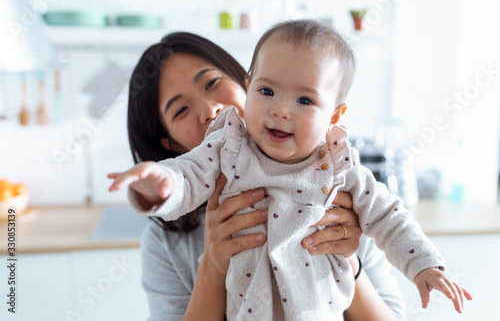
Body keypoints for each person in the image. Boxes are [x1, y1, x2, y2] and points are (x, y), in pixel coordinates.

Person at [112, 26, 407, 320]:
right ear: (170, 143)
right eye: (180, 110)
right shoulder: (166, 243)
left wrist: (348, 262)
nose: (210, 109)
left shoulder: (335, 182)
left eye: (212, 83)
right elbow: (178, 179)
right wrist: (212, 266)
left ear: (244, 83)